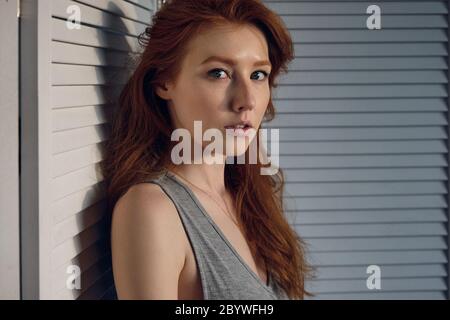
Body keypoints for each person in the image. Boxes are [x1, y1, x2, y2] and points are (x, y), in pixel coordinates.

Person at [102, 0, 315, 300]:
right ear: (164, 81)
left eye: (258, 75)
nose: (247, 101)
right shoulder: (152, 209)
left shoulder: (249, 195)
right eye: (219, 73)